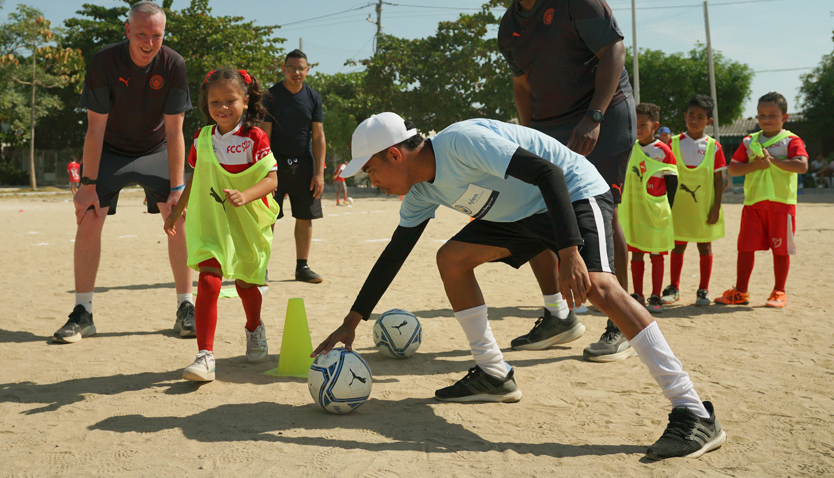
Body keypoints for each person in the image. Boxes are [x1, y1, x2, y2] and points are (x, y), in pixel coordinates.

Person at [313, 113, 725, 460]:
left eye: (371, 171)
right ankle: (494, 374)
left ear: (394, 154)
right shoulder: (420, 193)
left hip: (573, 192)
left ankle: (693, 411)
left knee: (599, 287)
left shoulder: (460, 142)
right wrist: (352, 321)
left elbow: (549, 173)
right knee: (451, 258)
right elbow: (393, 254)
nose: (371, 181)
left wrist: (568, 252)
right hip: (520, 215)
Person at [493, 0, 638, 361]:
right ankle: (561, 316)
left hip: (603, 114)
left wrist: (593, 117)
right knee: (542, 212)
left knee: (602, 209)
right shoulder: (509, 28)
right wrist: (529, 136)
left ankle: (622, 322)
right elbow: (522, 85)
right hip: (550, 127)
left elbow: (613, 49)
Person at [53, 1, 195, 343]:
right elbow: (95, 129)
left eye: (157, 35)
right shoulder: (104, 61)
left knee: (178, 217)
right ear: (127, 30)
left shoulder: (173, 64)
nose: (149, 42)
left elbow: (176, 132)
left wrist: (178, 187)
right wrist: (87, 185)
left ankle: (186, 307)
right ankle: (82, 312)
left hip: (156, 149)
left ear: (164, 34)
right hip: (110, 151)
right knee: (89, 215)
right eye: (142, 33)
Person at [164, 68, 278, 382]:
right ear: (206, 104)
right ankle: (205, 355)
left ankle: (254, 328)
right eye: (215, 101)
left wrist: (246, 194)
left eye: (230, 100)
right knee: (210, 278)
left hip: (248, 221)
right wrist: (177, 211)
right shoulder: (202, 139)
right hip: (212, 219)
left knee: (246, 284)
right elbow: (196, 179)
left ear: (246, 100)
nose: (222, 106)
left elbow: (272, 180)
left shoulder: (254, 137)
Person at [717, 92, 808, 308]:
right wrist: (754, 165)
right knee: (745, 248)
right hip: (753, 203)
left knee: (782, 249)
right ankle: (740, 292)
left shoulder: (791, 140)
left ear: (784, 117)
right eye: (761, 115)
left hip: (781, 204)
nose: (766, 119)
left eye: (772, 115)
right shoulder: (750, 141)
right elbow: (733, 169)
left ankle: (779, 292)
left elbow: (802, 165)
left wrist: (773, 160)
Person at [262, 50, 326, 283]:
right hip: (274, 166)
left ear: (307, 70)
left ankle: (302, 267)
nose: (296, 73)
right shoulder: (270, 96)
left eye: (301, 68)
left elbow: (318, 136)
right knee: (267, 218)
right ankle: (262, 267)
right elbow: (264, 136)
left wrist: (319, 173)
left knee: (305, 216)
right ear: (284, 68)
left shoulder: (313, 97)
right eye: (292, 68)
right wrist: (265, 171)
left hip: (304, 166)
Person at [665, 95, 726, 306]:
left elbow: (719, 181)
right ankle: (674, 287)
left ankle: (703, 290)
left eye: (700, 117)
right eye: (691, 115)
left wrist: (716, 207)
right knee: (678, 246)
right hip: (678, 208)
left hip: (703, 208)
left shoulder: (714, 147)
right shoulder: (672, 143)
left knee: (705, 247)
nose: (694, 120)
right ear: (685, 116)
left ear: (708, 121)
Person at [619, 103, 678, 315]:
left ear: (655, 126)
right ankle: (637, 294)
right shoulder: (629, 147)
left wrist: (666, 208)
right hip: (634, 210)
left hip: (655, 212)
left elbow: (672, 182)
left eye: (643, 124)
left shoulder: (663, 151)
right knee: (635, 252)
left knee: (656, 254)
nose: (638, 128)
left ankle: (655, 296)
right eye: (635, 123)